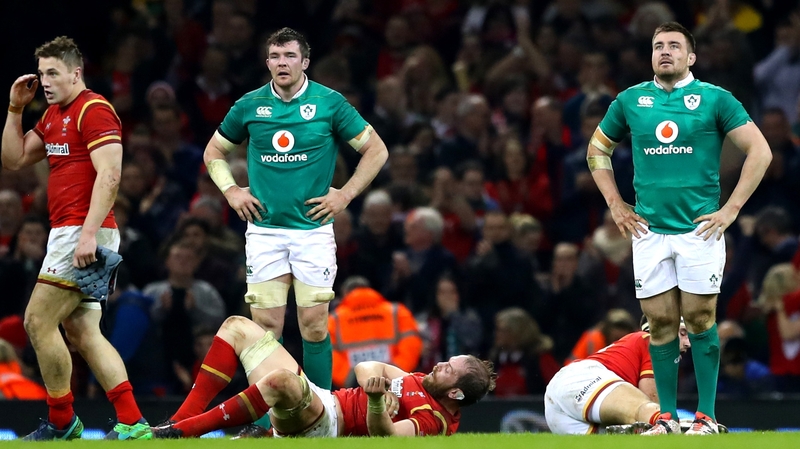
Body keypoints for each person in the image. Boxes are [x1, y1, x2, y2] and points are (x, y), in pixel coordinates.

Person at [586, 22, 772, 434]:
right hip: (648, 232)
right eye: (658, 46)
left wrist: (731, 209)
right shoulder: (630, 101)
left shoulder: (715, 99)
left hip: (699, 229)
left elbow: (760, 150)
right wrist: (616, 204)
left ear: (691, 57)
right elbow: (597, 149)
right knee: (660, 323)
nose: (664, 52)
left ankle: (706, 417)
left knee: (702, 318)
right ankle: (666, 418)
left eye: (674, 46)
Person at [201, 27, 389, 436]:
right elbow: (214, 151)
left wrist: (346, 195)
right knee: (265, 331)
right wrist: (231, 190)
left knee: (314, 327)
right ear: (266, 62)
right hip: (265, 233)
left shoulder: (329, 103)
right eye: (274, 56)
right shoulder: (249, 106)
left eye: (289, 55)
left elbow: (377, 150)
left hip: (313, 233)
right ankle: (274, 419)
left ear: (305, 62)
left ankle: (323, 412)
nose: (281, 63)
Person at [1, 36, 152, 439]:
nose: (46, 81)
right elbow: (13, 158)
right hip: (70, 232)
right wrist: (16, 107)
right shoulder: (52, 115)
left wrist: (88, 235)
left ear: (76, 72)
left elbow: (111, 174)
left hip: (84, 231)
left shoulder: (94, 109)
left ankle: (63, 421)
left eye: (53, 72)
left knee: (37, 319)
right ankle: (134, 422)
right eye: (42, 72)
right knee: (83, 332)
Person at [152, 315, 496, 438]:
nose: (440, 366)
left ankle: (182, 432)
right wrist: (372, 384)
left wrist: (376, 401)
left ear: (456, 395)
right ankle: (178, 421)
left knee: (283, 381)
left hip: (327, 425)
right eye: (446, 362)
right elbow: (366, 368)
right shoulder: (420, 380)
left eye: (449, 369)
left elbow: (387, 435)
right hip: (325, 398)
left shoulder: (433, 419)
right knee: (237, 327)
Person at [545, 319, 691, 434]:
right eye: (683, 333)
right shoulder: (651, 340)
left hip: (558, 407)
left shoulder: (634, 343)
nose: (688, 343)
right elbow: (653, 400)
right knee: (659, 420)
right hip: (580, 380)